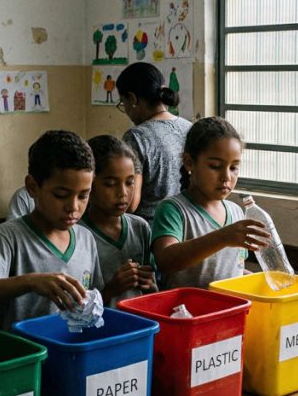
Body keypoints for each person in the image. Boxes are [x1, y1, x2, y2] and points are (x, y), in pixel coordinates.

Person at [0, 130, 118, 330]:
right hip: (25, 357)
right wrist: (29, 282)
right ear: (33, 187)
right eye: (61, 195)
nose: (74, 206)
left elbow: (93, 300)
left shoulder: (86, 238)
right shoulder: (9, 237)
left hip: (70, 354)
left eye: (83, 195)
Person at [151, 117, 270, 289]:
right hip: (187, 313)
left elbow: (231, 269)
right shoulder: (174, 210)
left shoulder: (236, 212)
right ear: (189, 162)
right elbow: (166, 261)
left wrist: (249, 280)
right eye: (215, 166)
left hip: (228, 311)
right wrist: (223, 237)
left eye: (234, 167)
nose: (226, 177)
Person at [79, 135, 156, 307]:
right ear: (90, 183)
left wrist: (149, 284)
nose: (123, 193)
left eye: (129, 183)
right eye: (110, 184)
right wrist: (111, 289)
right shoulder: (77, 234)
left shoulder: (140, 227)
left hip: (138, 325)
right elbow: (75, 307)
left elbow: (153, 293)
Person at [116, 62, 192, 225]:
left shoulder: (137, 136)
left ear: (133, 98)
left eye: (123, 103)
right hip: (187, 225)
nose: (126, 110)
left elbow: (131, 204)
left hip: (151, 231)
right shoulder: (189, 127)